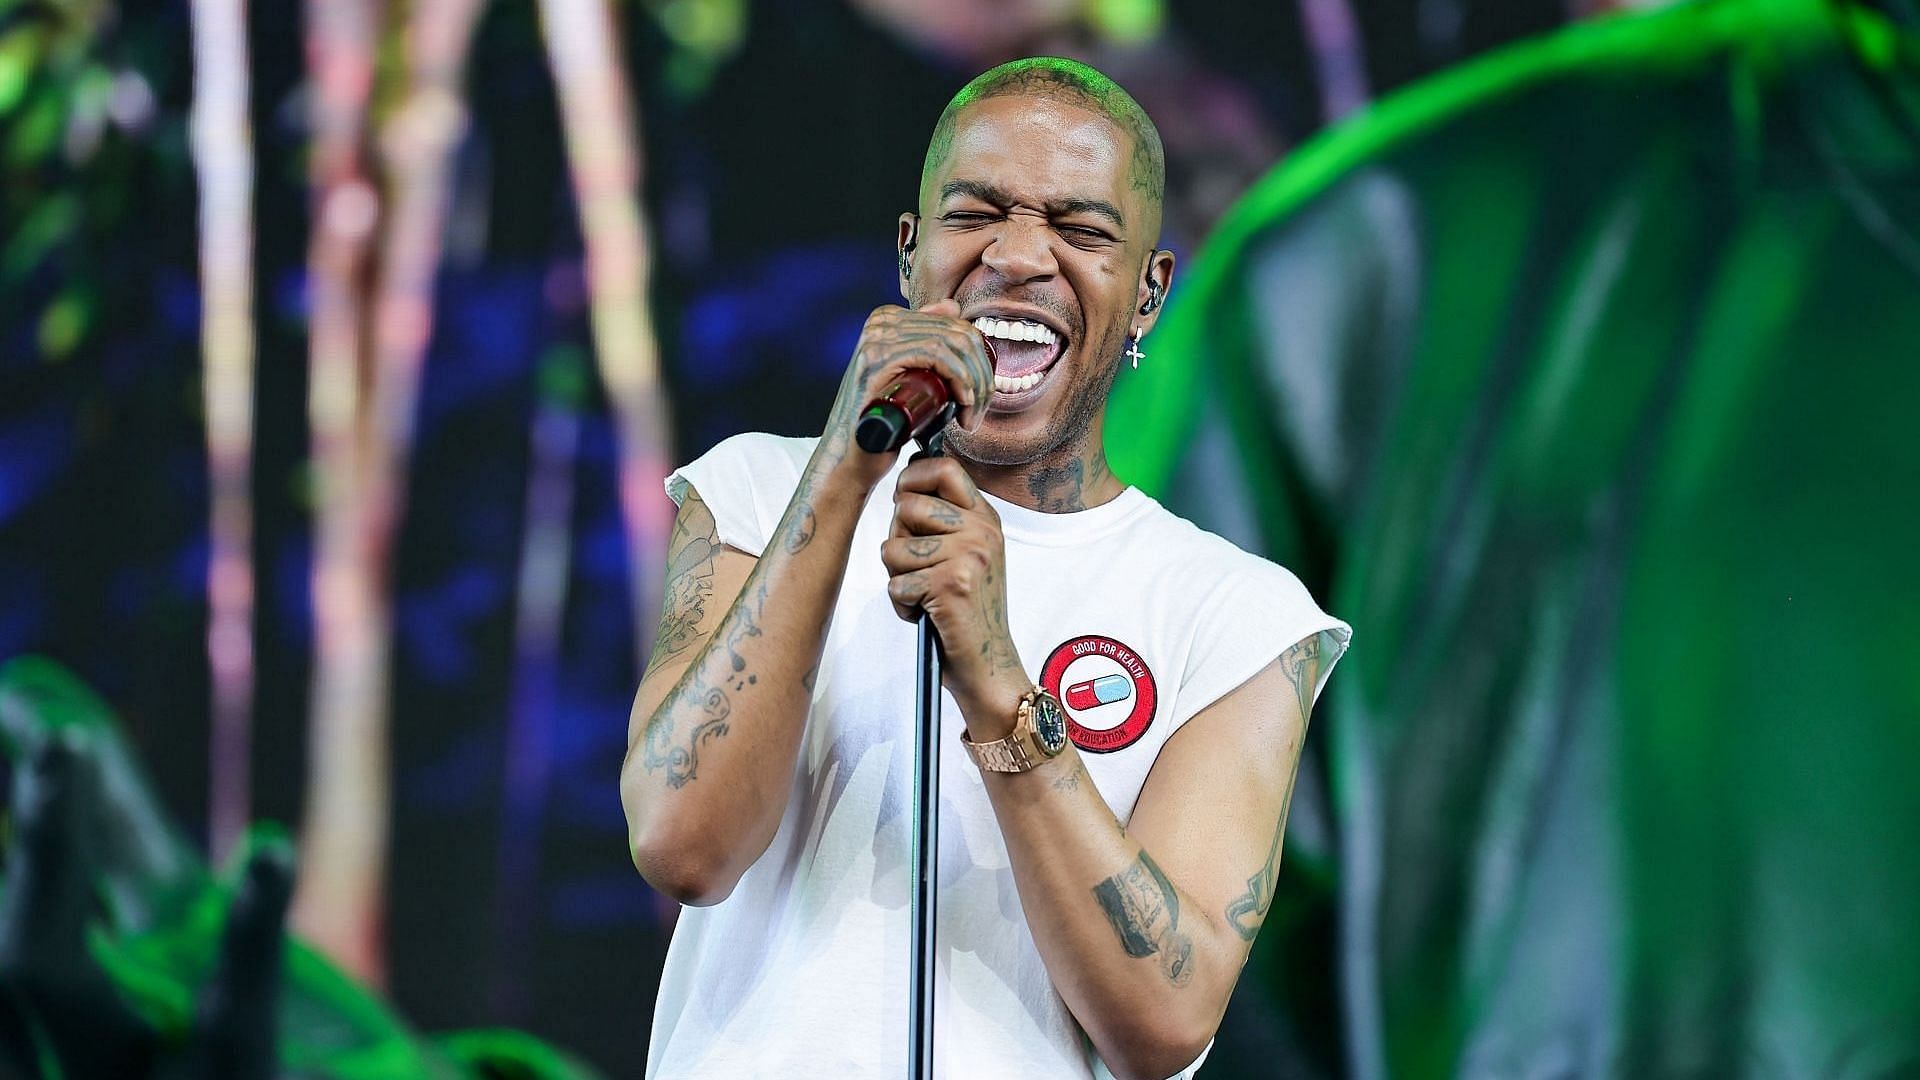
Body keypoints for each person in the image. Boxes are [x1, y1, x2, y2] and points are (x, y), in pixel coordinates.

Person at [622, 57, 1349, 1079]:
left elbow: (1167, 1020)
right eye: (977, 215)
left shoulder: (1233, 614)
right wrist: (842, 471)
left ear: (1147, 293)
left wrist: (998, 680)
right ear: (912, 255)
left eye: (1081, 230)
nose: (1018, 256)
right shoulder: (753, 496)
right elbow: (682, 846)